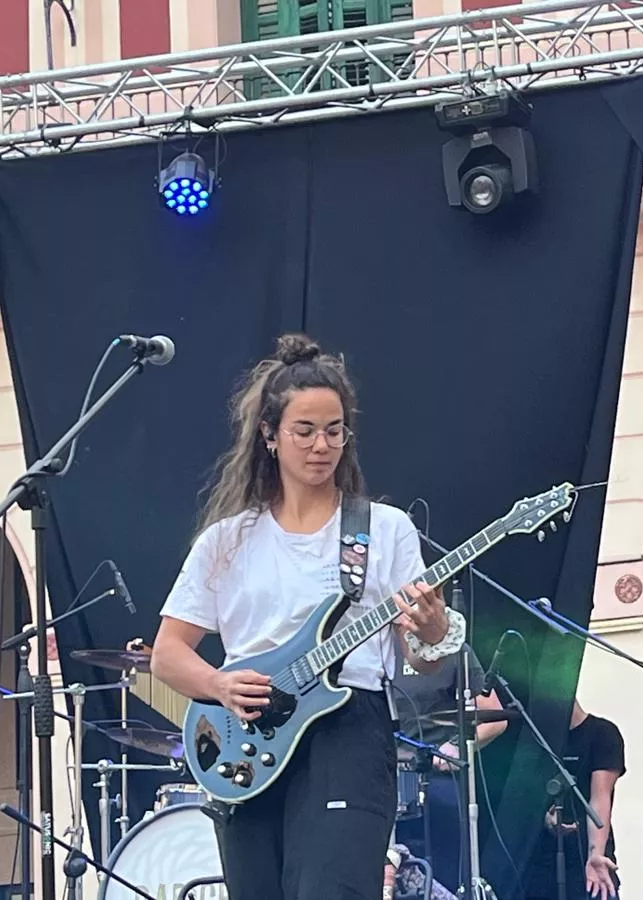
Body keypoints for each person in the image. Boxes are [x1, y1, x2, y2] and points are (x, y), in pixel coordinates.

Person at [150, 334, 469, 900]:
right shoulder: (226, 540)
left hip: (348, 732)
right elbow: (167, 654)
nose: (322, 445)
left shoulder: (383, 528)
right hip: (249, 730)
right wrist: (219, 684)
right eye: (305, 431)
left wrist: (433, 631)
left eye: (334, 430)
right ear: (270, 435)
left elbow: (418, 662)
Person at [389, 643, 509, 891]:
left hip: (438, 776)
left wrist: (456, 746)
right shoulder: (379, 649)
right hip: (385, 776)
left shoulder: (453, 649)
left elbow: (495, 718)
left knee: (444, 870)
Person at [523, 700, 625, 900]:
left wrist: (596, 853)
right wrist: (545, 819)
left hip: (588, 859)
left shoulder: (602, 734)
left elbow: (600, 798)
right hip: (543, 862)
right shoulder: (535, 741)